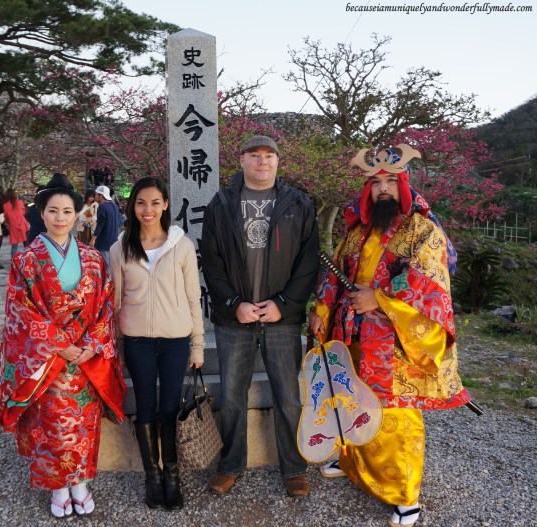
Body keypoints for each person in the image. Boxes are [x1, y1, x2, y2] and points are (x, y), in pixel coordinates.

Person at [308, 144, 471, 527]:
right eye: (376, 182)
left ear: (404, 186)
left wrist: (378, 298)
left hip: (393, 338)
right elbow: (336, 272)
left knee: (395, 413)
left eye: (390, 182)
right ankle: (353, 465)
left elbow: (427, 282)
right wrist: (320, 310)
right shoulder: (359, 230)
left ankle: (405, 496)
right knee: (350, 398)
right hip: (351, 332)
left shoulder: (421, 229)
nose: (383, 189)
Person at [0, 172, 126, 519]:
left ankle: (81, 483)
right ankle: (57, 486)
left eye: (67, 212)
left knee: (83, 422)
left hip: (83, 357)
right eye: (53, 211)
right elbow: (20, 310)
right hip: (48, 360)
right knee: (50, 423)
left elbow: (105, 305)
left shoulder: (94, 259)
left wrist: (92, 343)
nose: (60, 218)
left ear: (77, 215)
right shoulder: (26, 259)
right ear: (41, 213)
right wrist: (58, 344)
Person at [200, 135, 320, 498]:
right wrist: (234, 301)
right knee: (232, 394)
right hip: (234, 317)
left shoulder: (298, 203)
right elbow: (212, 259)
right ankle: (231, 464)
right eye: (255, 155)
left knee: (288, 396)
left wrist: (284, 303)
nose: (262, 162)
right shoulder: (221, 203)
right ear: (242, 160)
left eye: (269, 156)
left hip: (281, 318)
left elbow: (309, 260)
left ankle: (294, 468)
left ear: (278, 162)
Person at [109, 177, 204, 511]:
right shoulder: (119, 248)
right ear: (132, 206)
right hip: (138, 342)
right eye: (140, 203)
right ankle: (153, 476)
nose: (147, 210)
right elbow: (116, 300)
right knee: (146, 406)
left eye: (154, 203)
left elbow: (194, 298)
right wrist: (118, 347)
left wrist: (198, 345)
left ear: (165, 205)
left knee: (169, 408)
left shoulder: (182, 245)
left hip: (176, 340)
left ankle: (172, 476)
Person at [91, 185, 121, 269]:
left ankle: (107, 282)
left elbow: (100, 224)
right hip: (114, 240)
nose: (95, 196)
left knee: (105, 265)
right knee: (111, 264)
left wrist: (93, 238)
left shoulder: (102, 206)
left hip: (104, 241)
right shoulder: (115, 206)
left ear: (101, 196)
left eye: (96, 194)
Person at [3, 188, 29, 258]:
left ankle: (13, 263)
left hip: (13, 226)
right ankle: (28, 260)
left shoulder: (5, 205)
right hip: (23, 224)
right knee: (26, 244)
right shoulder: (20, 202)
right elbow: (23, 213)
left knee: (14, 246)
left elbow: (6, 216)